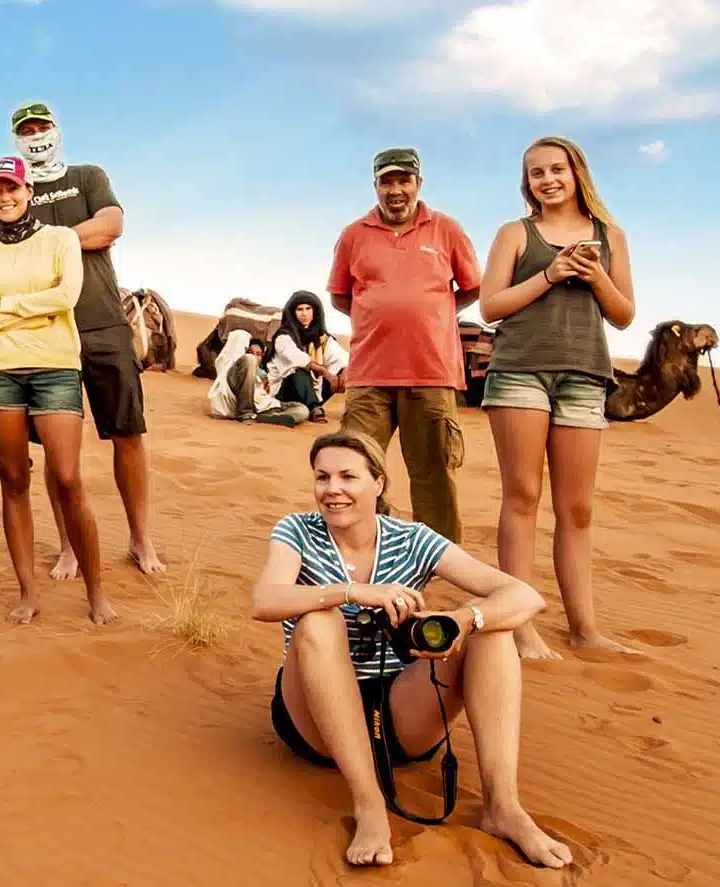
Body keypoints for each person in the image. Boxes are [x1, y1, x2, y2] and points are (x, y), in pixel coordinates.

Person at [251, 430, 572, 870]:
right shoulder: (297, 531)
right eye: (322, 477)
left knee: (492, 630)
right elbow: (265, 600)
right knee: (317, 623)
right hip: (313, 714)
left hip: (399, 711)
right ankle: (369, 806)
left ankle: (504, 807)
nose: (333, 490)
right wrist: (353, 592)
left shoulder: (412, 539)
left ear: (378, 482)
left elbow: (524, 596)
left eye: (348, 476)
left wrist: (463, 621)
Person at [477, 135, 639, 660]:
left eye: (556, 170)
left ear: (577, 173)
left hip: (584, 375)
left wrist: (593, 277)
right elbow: (490, 306)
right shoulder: (516, 234)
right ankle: (519, 627)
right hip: (521, 372)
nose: (546, 179)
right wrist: (549, 274)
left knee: (578, 508)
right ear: (527, 183)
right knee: (522, 497)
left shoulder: (609, 236)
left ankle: (584, 630)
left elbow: (623, 314)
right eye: (536, 173)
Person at [9, 100, 165, 579]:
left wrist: (52, 240)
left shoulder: (88, 175)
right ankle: (69, 545)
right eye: (26, 129)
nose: (36, 134)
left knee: (127, 432)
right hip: (47, 331)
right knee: (59, 448)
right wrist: (79, 236)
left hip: (103, 322)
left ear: (57, 129)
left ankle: (141, 539)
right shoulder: (14, 187)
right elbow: (14, 250)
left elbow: (111, 225)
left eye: (42, 126)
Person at [0, 155, 117, 625]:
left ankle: (97, 594)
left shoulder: (61, 239)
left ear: (29, 191)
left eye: (13, 188)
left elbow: (66, 296)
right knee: (13, 480)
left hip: (54, 367)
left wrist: (4, 305)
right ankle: (28, 592)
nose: (5, 198)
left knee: (68, 480)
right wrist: (35, 308)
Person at [327, 147, 481, 543]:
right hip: (369, 374)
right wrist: (378, 315)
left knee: (432, 473)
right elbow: (340, 296)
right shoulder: (353, 234)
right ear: (375, 185)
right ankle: (356, 547)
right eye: (386, 181)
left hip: (430, 371)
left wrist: (432, 312)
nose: (395, 190)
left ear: (418, 183)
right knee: (352, 466)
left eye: (403, 180)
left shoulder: (446, 229)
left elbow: (471, 287)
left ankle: (440, 560)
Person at [263, 290, 349, 423]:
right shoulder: (283, 336)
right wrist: (325, 372)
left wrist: (344, 373)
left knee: (344, 371)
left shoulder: (323, 339)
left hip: (315, 391)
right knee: (300, 370)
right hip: (285, 391)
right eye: (299, 309)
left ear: (315, 311)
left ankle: (351, 411)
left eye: (308, 308)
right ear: (293, 313)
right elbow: (298, 359)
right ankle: (314, 408)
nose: (304, 313)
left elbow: (342, 358)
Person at [207, 328, 309, 425]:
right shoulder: (230, 369)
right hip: (240, 406)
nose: (254, 357)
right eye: (249, 352)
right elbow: (236, 362)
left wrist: (266, 384)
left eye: (258, 354)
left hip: (262, 407)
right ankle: (245, 413)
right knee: (249, 360)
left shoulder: (264, 374)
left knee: (302, 410)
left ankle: (269, 418)